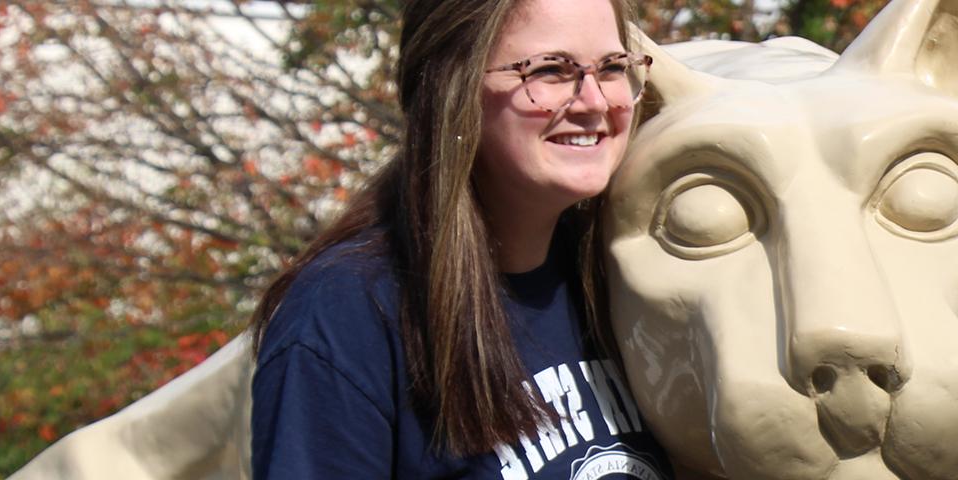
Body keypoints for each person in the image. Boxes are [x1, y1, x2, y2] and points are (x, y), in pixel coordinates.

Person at [247, 0, 670, 477]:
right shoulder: (346, 313)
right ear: (451, 89)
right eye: (551, 70)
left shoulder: (623, 272)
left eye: (613, 68)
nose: (595, 101)